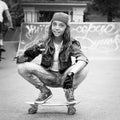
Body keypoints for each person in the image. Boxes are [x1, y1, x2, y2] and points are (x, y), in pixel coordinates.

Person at [17, 12, 89, 115]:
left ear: (66, 28)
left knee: (84, 68)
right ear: (51, 26)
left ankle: (69, 91)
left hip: (65, 78)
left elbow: (83, 58)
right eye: (54, 24)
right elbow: (24, 59)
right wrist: (25, 54)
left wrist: (71, 73)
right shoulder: (44, 42)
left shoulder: (71, 44)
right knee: (21, 67)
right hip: (47, 76)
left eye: (61, 25)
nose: (57, 28)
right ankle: (44, 91)